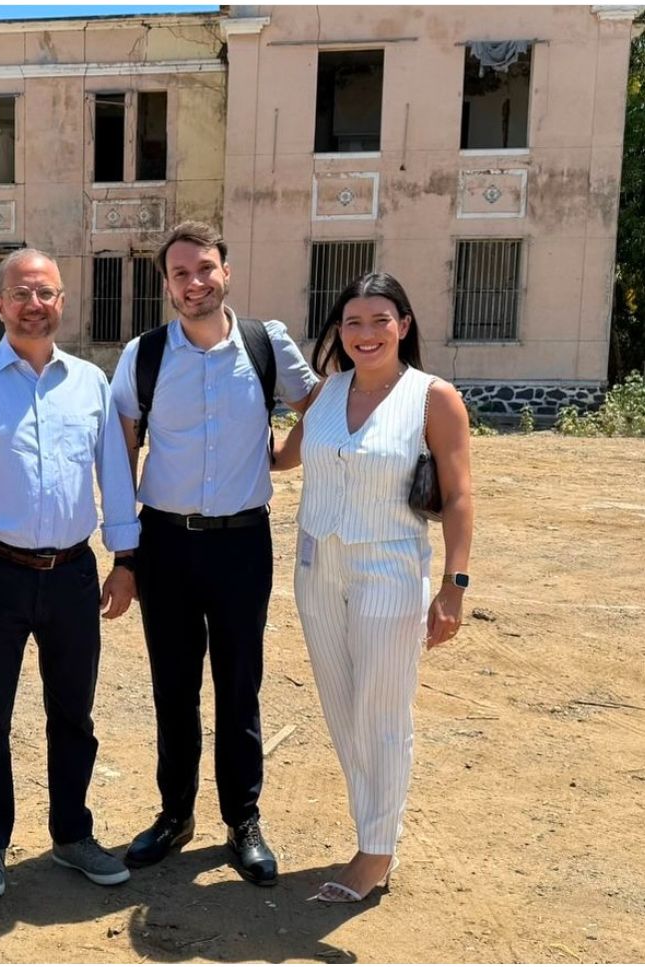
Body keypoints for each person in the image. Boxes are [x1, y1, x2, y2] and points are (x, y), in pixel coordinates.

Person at [0, 248, 139, 898]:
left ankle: (72, 835)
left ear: (62, 301)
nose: (33, 304)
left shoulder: (89, 385)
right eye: (20, 293)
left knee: (73, 713)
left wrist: (125, 560)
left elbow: (115, 478)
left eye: (45, 293)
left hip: (73, 573)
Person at [109, 222, 317, 886]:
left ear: (225, 272)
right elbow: (122, 452)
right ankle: (174, 815)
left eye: (204, 269)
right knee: (173, 687)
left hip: (241, 544)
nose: (193, 282)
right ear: (166, 285)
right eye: (179, 274)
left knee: (239, 685)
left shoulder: (265, 344)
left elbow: (319, 403)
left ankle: (242, 820)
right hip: (165, 543)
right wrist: (123, 552)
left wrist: (284, 456)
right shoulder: (143, 356)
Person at [273, 272, 473, 903]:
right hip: (317, 568)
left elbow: (460, 494)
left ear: (404, 326)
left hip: (390, 568)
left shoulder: (431, 398)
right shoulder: (328, 393)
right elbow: (284, 459)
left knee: (381, 712)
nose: (365, 334)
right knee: (341, 707)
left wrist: (454, 586)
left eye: (379, 321)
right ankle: (372, 828)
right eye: (352, 323)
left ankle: (376, 851)